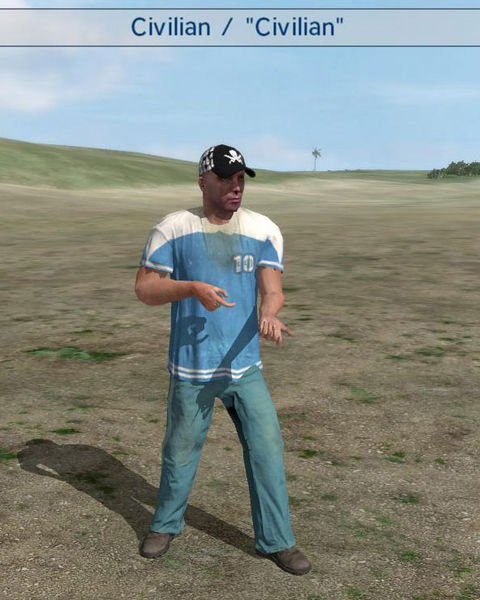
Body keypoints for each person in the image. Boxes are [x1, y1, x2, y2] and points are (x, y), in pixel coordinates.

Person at [134, 144, 311, 576]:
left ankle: (277, 541)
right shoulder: (173, 228)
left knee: (266, 448)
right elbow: (145, 288)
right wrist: (191, 288)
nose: (236, 187)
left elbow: (273, 289)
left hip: (244, 367)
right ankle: (165, 525)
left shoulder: (262, 228)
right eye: (226, 178)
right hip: (192, 368)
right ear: (203, 181)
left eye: (240, 179)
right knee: (180, 451)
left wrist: (269, 313)